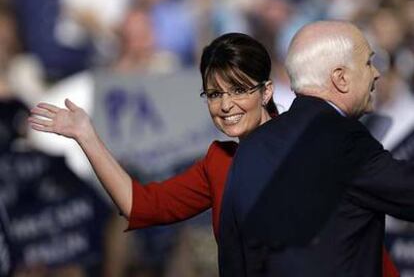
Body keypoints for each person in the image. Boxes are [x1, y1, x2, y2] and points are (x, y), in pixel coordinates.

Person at [28, 32, 398, 276]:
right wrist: (87, 135)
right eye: (215, 94)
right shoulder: (220, 162)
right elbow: (142, 206)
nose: (226, 105)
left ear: (267, 91)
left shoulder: (319, 144)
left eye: (238, 90)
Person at [218, 21, 413, 277]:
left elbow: (234, 252)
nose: (376, 73)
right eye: (368, 62)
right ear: (340, 78)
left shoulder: (252, 144)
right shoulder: (344, 139)